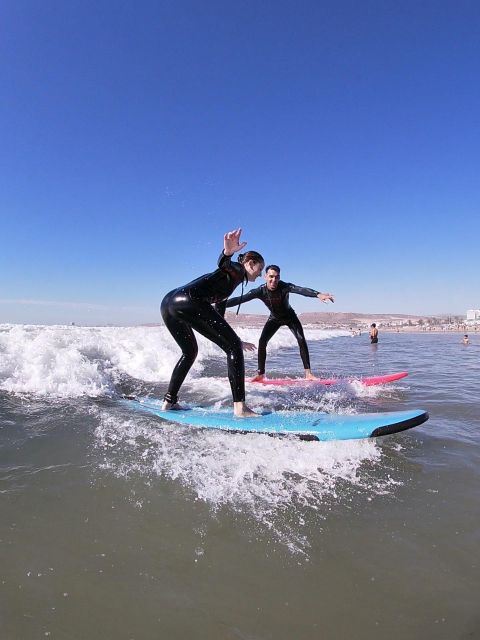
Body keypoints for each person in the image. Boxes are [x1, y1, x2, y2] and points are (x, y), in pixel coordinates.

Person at [161, 229, 264, 417]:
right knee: (232, 348)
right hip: (189, 301)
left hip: (169, 302)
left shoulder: (229, 281)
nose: (260, 275)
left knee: (190, 352)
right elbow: (224, 264)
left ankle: (169, 401)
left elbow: (218, 316)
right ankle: (240, 408)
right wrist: (228, 253)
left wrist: (235, 340)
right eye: (259, 269)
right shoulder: (235, 270)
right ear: (250, 264)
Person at [224, 264, 334, 380]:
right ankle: (261, 374)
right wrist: (220, 303)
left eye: (277, 277)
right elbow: (240, 299)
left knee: (301, 339)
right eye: (271, 276)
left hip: (290, 317)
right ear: (265, 276)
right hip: (274, 319)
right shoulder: (259, 291)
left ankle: (308, 374)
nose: (274, 280)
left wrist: (317, 294)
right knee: (262, 341)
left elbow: (300, 290)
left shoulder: (284, 286)